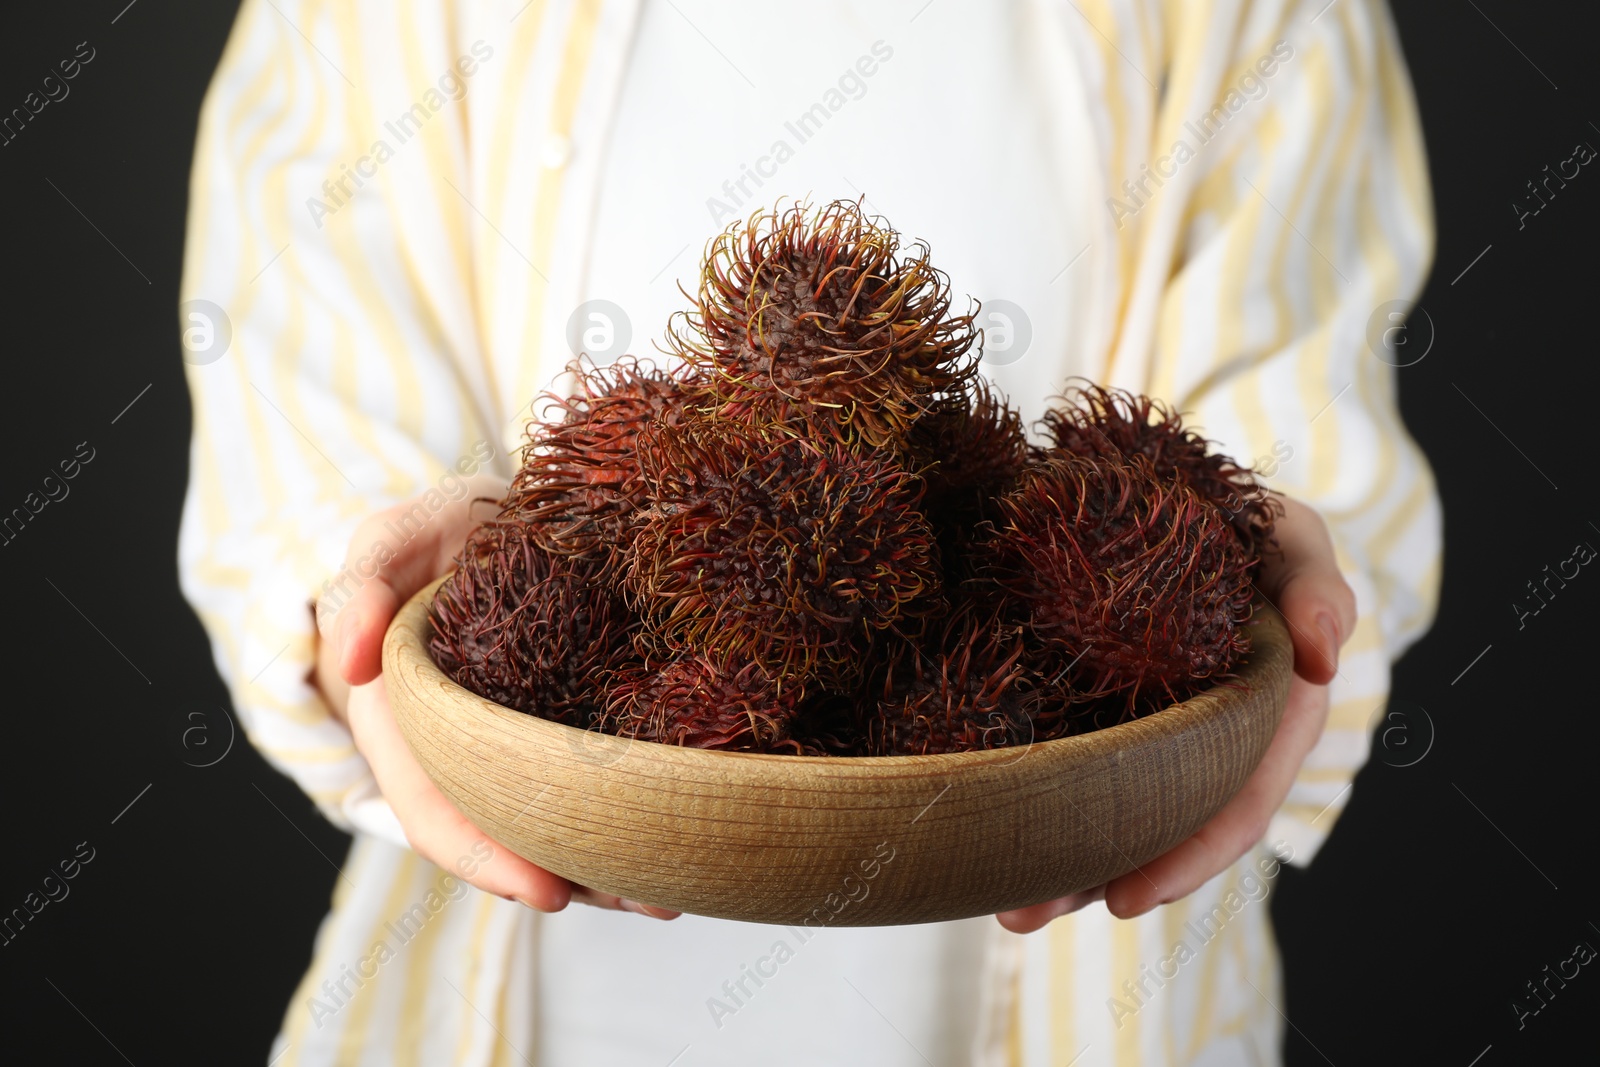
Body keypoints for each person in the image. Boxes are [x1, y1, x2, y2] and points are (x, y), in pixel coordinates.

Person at [177, 0, 1439, 1063]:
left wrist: (1245, 544)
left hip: (1106, 984)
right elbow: (293, 406)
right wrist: (402, 588)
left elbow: (1298, 387)